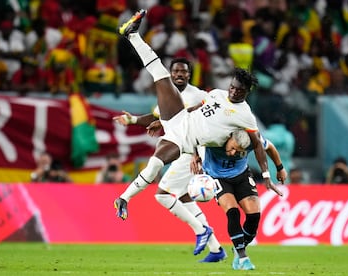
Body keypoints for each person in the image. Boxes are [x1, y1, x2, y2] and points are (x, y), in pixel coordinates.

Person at [113, 9, 282, 256]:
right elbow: (197, 109)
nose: (233, 92)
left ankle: (125, 199)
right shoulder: (216, 94)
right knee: (160, 76)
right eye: (232, 87)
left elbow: (257, 143)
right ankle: (131, 35)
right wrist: (159, 120)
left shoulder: (245, 115)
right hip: (178, 120)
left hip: (184, 142)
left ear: (246, 93)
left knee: (155, 171)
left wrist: (268, 172)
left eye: (238, 90)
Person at [115, 57, 226, 261]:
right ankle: (216, 249)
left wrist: (196, 154)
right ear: (171, 73)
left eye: (183, 72)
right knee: (183, 197)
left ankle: (201, 231)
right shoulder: (167, 96)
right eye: (175, 71)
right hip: (182, 151)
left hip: (195, 152)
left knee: (163, 195)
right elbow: (157, 119)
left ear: (189, 74)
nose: (179, 75)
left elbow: (205, 124)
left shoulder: (199, 96)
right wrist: (132, 120)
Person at [190, 130, 287, 270]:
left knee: (254, 216)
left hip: (242, 175)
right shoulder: (215, 135)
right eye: (232, 148)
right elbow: (194, 134)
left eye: (239, 151)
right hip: (218, 177)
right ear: (229, 138)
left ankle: (238, 249)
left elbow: (270, 147)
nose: (233, 153)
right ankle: (243, 257)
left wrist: (280, 168)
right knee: (233, 212)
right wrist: (195, 155)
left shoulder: (253, 139)